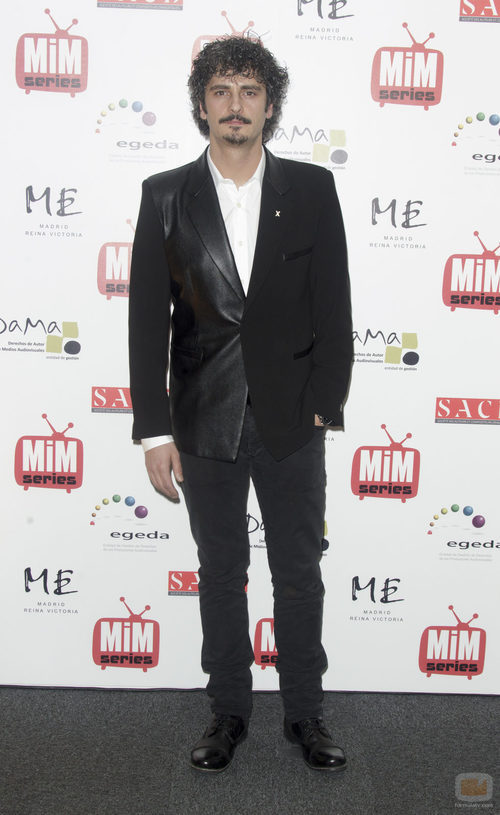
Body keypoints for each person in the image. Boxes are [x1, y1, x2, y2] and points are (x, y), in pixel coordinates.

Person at [129, 35, 353, 773]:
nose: (235, 105)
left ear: (269, 106)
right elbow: (147, 323)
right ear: (202, 106)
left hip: (292, 420)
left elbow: (334, 309)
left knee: (299, 573)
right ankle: (227, 710)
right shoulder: (165, 195)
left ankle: (305, 713)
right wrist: (153, 431)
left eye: (250, 91)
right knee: (221, 572)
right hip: (203, 420)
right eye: (221, 91)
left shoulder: (312, 190)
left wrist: (322, 406)